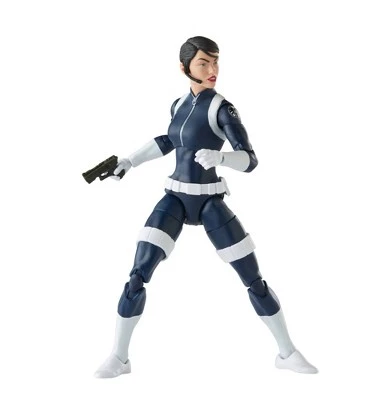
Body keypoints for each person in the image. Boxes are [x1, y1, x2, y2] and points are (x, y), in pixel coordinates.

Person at [94, 36, 318, 378]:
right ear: (184, 68)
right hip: (175, 198)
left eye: (215, 62)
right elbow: (169, 140)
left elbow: (250, 159)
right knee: (137, 275)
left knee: (253, 279)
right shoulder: (178, 104)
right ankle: (119, 358)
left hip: (210, 200)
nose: (213, 69)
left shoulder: (222, 108)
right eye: (204, 63)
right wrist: (129, 161)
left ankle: (287, 353)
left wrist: (222, 158)